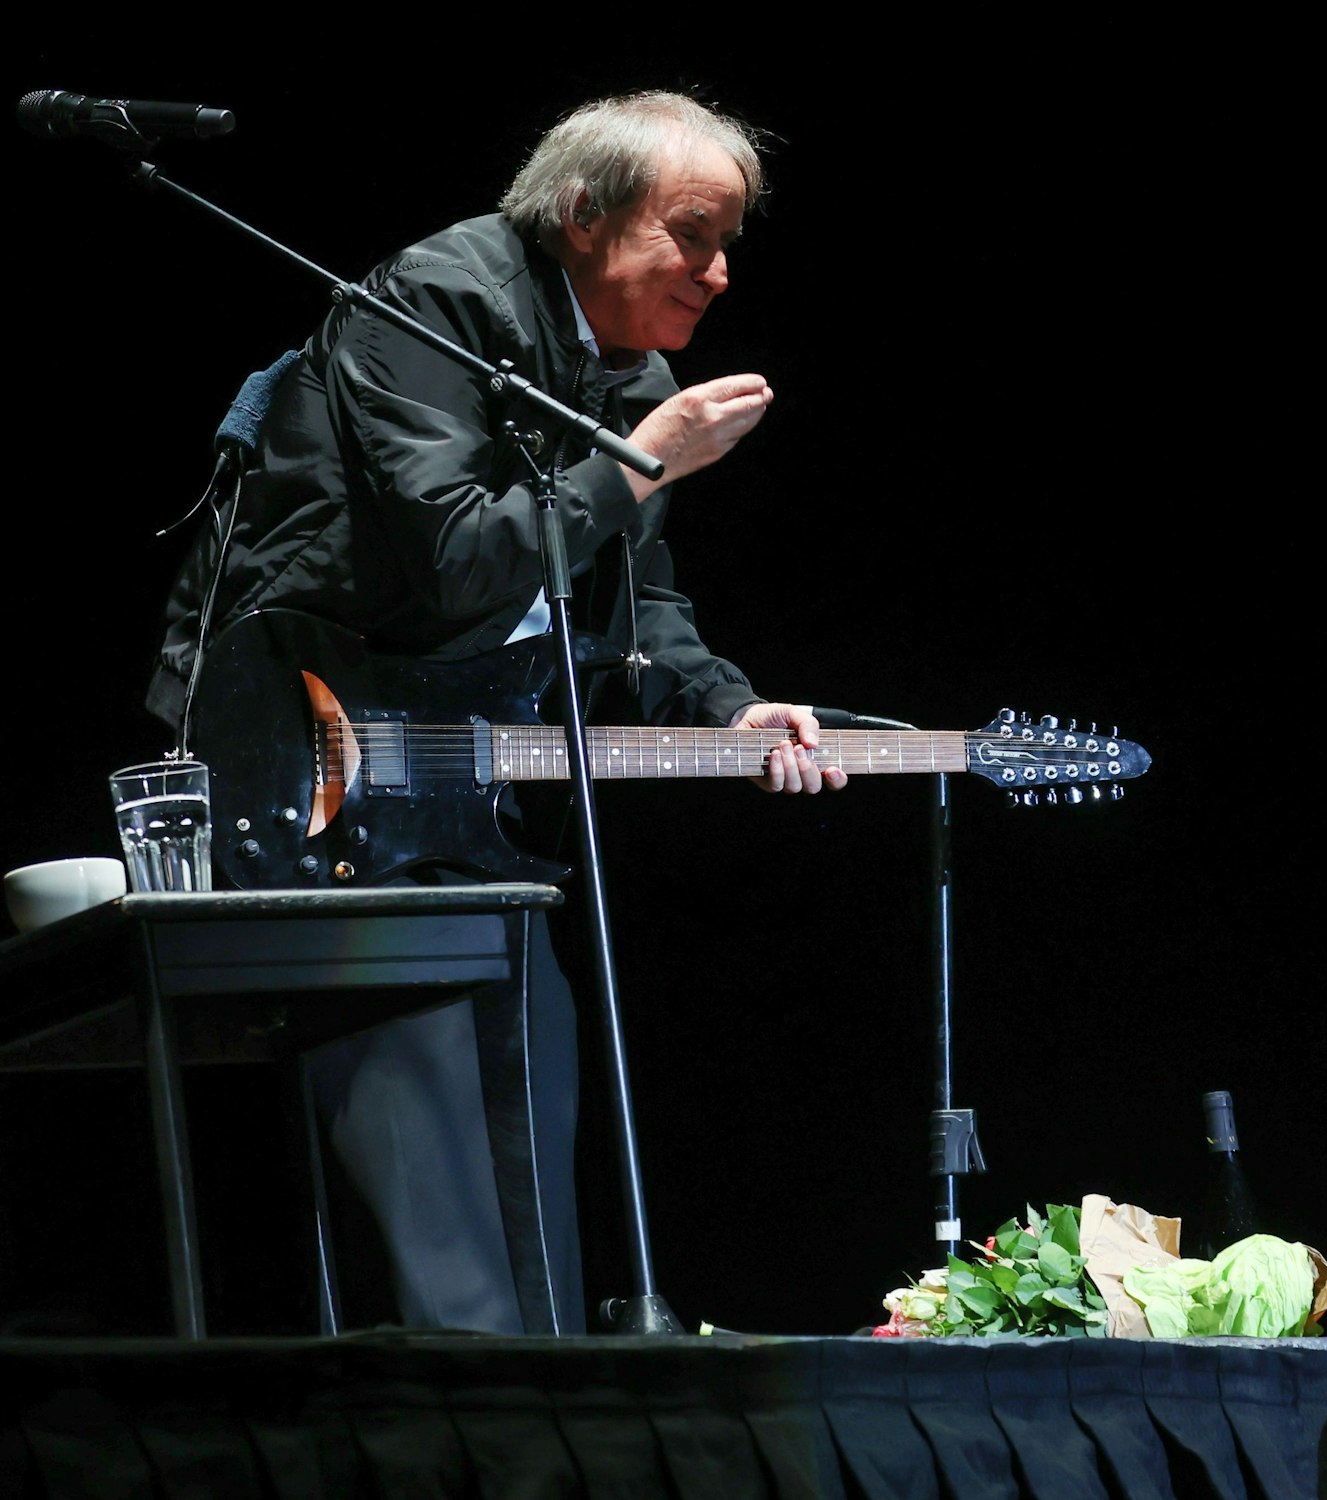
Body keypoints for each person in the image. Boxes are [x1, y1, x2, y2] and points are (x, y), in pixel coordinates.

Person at [144, 90, 845, 1335]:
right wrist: (641, 459)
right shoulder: (433, 303)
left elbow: (635, 604)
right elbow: (459, 562)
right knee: (435, 1205)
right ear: (583, 215)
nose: (719, 272)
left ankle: (559, 1416)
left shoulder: (636, 373)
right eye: (691, 234)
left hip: (466, 792)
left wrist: (726, 712)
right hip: (313, 759)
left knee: (536, 1139)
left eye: (730, 240)